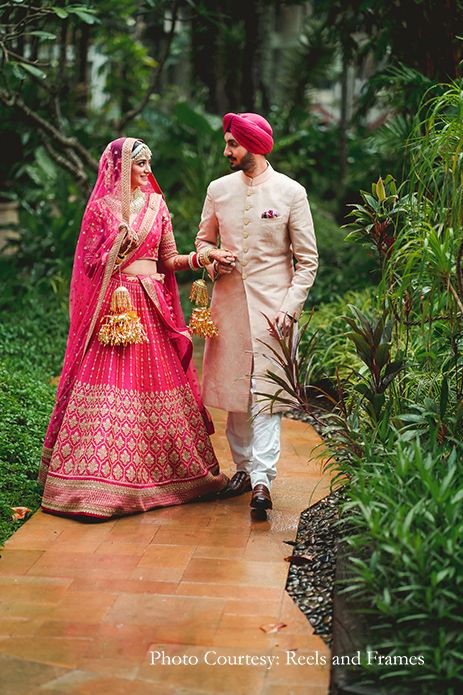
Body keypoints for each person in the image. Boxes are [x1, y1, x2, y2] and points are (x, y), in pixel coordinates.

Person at [39, 136, 233, 519]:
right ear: (122, 167)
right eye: (141, 164)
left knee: (158, 387)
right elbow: (89, 265)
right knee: (111, 392)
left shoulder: (157, 206)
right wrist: (116, 246)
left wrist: (203, 257)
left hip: (151, 305)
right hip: (116, 310)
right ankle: (96, 486)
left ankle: (174, 478)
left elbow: (169, 259)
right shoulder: (100, 209)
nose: (148, 171)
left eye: (148, 164)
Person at [195, 113, 318, 514]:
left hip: (274, 313)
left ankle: (263, 478)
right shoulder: (218, 189)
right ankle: (244, 469)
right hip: (228, 307)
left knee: (267, 395)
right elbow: (203, 240)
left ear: (255, 146)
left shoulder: (290, 192)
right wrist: (213, 261)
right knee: (236, 393)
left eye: (232, 144)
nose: (226, 151)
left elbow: (308, 260)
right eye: (227, 143)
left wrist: (290, 308)